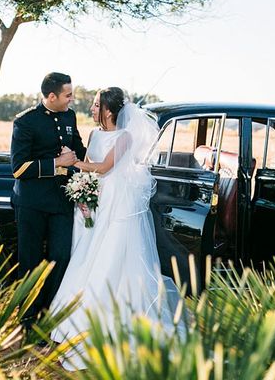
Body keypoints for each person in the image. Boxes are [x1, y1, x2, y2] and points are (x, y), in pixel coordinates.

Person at [49, 87, 182, 370]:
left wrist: (75, 163)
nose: (93, 108)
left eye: (97, 105)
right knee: (85, 252)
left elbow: (105, 167)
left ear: (109, 110)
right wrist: (82, 192)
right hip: (95, 200)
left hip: (116, 203)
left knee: (112, 255)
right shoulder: (95, 134)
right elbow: (91, 167)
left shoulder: (125, 137)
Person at [10, 72, 87, 325]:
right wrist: (57, 162)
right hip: (32, 203)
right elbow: (19, 168)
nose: (71, 99)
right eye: (68, 95)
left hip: (61, 201)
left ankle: (50, 315)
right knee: (30, 261)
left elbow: (79, 149)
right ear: (51, 96)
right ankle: (28, 320)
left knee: (61, 256)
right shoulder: (25, 122)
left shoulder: (70, 115)